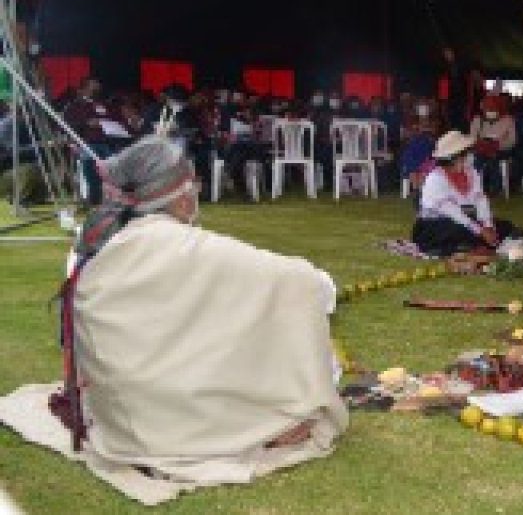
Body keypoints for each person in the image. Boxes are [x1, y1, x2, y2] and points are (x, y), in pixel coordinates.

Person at [58, 136, 347, 481]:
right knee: (285, 317)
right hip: (171, 416)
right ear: (179, 198)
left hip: (117, 412)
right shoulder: (184, 249)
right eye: (192, 184)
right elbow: (312, 285)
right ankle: (275, 421)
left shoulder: (94, 239)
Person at [412, 130, 523, 257]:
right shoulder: (435, 179)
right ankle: (470, 247)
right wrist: (481, 231)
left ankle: (477, 245)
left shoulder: (471, 173)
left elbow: (480, 200)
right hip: (436, 224)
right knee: (458, 230)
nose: (468, 157)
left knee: (504, 226)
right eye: (464, 154)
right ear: (452, 157)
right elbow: (452, 212)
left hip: (467, 219)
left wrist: (489, 225)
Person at [469, 93, 516, 194]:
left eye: (493, 109)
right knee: (477, 160)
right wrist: (481, 143)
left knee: (493, 157)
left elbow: (512, 140)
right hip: (481, 149)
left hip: (501, 150)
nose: (490, 112)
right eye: (488, 110)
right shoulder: (477, 120)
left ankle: (495, 187)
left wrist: (498, 144)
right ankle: (477, 187)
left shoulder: (508, 120)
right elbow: (471, 138)